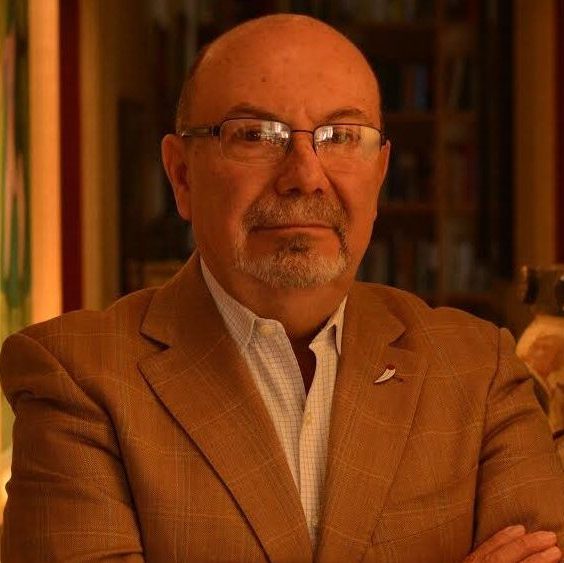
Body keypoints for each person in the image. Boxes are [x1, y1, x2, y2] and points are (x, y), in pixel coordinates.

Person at [1, 14, 563, 563]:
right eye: (255, 134)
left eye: (342, 136)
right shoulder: (76, 376)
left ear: (380, 173)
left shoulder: (479, 368)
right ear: (182, 174)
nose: (305, 176)